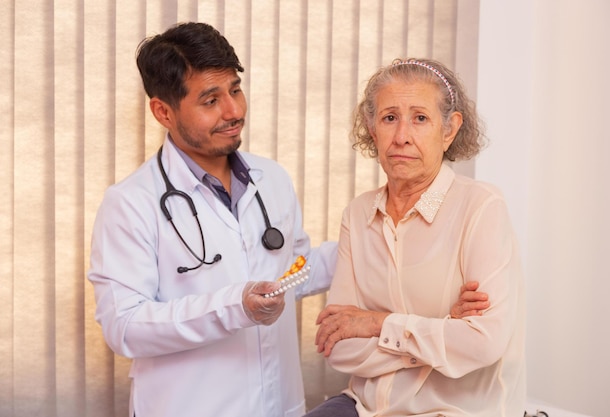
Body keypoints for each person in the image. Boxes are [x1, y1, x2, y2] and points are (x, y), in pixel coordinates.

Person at [87, 22, 490, 417]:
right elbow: (125, 326)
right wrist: (235, 306)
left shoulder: (270, 179)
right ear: (163, 111)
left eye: (235, 90)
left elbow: (293, 273)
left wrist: (380, 240)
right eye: (210, 101)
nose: (233, 111)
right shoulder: (132, 203)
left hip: (278, 405)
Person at [304, 58, 526, 417]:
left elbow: (484, 344)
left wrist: (377, 323)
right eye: (389, 118)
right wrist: (442, 331)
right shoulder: (358, 214)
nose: (402, 135)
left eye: (420, 118)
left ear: (449, 130)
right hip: (365, 406)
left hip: (454, 410)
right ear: (372, 129)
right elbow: (340, 347)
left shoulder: (482, 207)